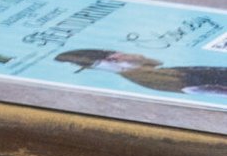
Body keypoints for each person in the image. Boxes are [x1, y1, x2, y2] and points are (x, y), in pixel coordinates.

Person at [56, 49, 227, 98]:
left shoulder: (157, 73)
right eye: (118, 52)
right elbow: (203, 88)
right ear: (113, 60)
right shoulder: (152, 79)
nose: (133, 53)